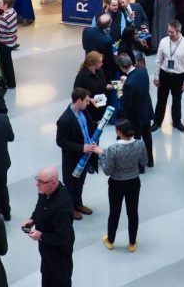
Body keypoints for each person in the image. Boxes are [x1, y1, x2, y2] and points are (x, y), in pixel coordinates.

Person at [91, 118, 147, 251]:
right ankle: (132, 243)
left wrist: (100, 154)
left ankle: (110, 240)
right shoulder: (140, 144)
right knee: (133, 212)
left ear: (119, 132)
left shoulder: (113, 149)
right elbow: (144, 162)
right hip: (134, 182)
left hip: (117, 185)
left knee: (114, 212)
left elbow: (107, 170)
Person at [23, 166, 75, 287]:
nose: (37, 185)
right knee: (46, 277)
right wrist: (32, 220)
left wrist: (41, 236)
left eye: (41, 182)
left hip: (59, 256)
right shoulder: (45, 191)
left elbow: (65, 238)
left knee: (60, 281)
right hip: (46, 251)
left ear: (53, 183)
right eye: (37, 180)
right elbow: (39, 208)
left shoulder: (61, 207)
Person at [56, 88, 98, 220]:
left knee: (80, 182)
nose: (88, 103)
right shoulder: (64, 120)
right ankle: (70, 208)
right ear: (79, 101)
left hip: (86, 155)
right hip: (73, 158)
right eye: (86, 101)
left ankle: (78, 204)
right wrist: (81, 148)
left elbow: (90, 126)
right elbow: (61, 141)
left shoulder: (84, 111)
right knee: (70, 184)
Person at [152, 19, 184, 133]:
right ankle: (157, 121)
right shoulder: (163, 41)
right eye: (168, 31)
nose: (169, 34)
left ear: (178, 31)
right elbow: (158, 60)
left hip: (179, 77)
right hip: (164, 74)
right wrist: (156, 76)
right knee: (161, 100)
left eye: (172, 32)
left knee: (177, 100)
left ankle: (177, 122)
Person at [116, 52, 154, 166]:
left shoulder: (128, 84)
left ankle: (140, 166)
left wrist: (120, 94)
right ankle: (150, 161)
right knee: (148, 137)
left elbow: (126, 103)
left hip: (135, 117)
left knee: (136, 140)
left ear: (122, 67)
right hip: (146, 110)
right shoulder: (143, 70)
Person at [74, 51, 111, 124]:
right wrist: (90, 99)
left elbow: (103, 86)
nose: (102, 64)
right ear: (94, 63)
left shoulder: (100, 71)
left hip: (101, 105)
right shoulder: (81, 77)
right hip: (90, 109)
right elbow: (77, 94)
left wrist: (116, 86)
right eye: (100, 62)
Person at [81, 14, 115, 81]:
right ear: (109, 25)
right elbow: (109, 59)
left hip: (88, 60)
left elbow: (84, 46)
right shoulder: (106, 40)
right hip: (101, 67)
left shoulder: (86, 30)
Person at [0, 0, 18, 88]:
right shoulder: (13, 12)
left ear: (5, 5)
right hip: (12, 40)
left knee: (6, 64)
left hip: (5, 43)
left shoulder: (4, 17)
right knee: (8, 62)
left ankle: (11, 83)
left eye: (0, 2)